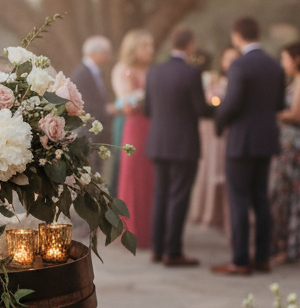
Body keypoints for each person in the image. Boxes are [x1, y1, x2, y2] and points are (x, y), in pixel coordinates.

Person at [211, 16, 285, 275]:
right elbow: (278, 104)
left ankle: (240, 260)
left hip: (242, 141)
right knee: (261, 198)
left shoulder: (239, 65)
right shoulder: (275, 65)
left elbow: (231, 104)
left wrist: (218, 125)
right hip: (266, 140)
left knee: (239, 199)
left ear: (237, 35)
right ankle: (262, 257)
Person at [144, 27, 213, 265]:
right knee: (179, 197)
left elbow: (147, 109)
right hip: (183, 144)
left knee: (160, 195)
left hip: (158, 142)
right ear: (190, 45)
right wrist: (221, 107)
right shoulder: (192, 73)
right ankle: (173, 252)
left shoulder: (154, 72)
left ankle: (157, 248)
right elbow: (202, 110)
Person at [271, 41, 300, 264]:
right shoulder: (298, 81)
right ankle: (291, 244)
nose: (283, 63)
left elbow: (296, 114)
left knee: (293, 191)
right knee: (289, 191)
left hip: (298, 142)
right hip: (295, 141)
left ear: (297, 59)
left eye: (285, 59)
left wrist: (271, 112)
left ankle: (290, 247)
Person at [113, 30, 156, 247]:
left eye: (151, 46)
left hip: (153, 125)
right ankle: (133, 231)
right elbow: (125, 103)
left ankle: (151, 231)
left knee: (151, 177)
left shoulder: (153, 71)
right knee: (133, 176)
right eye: (145, 46)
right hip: (135, 127)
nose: (150, 51)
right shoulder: (123, 70)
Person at [69, 36, 113, 171]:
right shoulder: (82, 74)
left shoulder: (92, 72)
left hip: (94, 128)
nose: (108, 56)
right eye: (105, 52)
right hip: (87, 129)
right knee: (89, 168)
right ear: (94, 52)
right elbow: (86, 103)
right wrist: (106, 110)